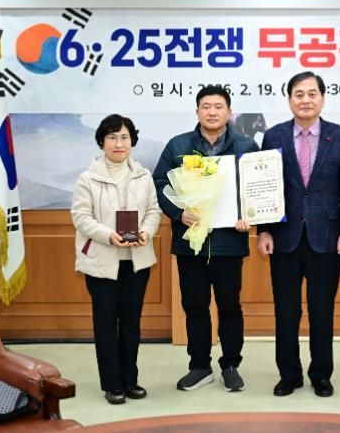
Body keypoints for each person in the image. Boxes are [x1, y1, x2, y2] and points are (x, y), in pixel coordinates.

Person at [153, 85, 259, 393]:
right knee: (194, 306)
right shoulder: (178, 145)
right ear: (197, 111)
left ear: (229, 112)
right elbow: (159, 183)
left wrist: (250, 216)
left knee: (229, 307)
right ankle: (199, 366)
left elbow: (256, 187)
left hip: (229, 243)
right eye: (206, 106)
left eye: (218, 106)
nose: (212, 112)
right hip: (190, 242)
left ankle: (230, 365)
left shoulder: (246, 146)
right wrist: (178, 213)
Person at [257, 71, 340, 398]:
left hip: (327, 237)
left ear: (322, 98)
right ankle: (289, 375)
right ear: (289, 100)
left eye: (312, 94)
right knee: (286, 312)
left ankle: (321, 375)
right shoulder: (274, 136)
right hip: (283, 237)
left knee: (321, 310)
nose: (305, 100)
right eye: (298, 94)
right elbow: (264, 189)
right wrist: (264, 230)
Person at [71, 114, 161, 405]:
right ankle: (112, 384)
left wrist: (146, 232)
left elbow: (154, 211)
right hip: (101, 261)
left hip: (137, 261)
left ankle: (130, 379)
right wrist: (109, 235)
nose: (119, 143)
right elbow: (81, 217)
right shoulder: (88, 178)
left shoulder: (143, 176)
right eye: (112, 137)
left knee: (131, 323)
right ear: (102, 141)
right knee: (106, 324)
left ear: (132, 141)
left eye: (124, 137)